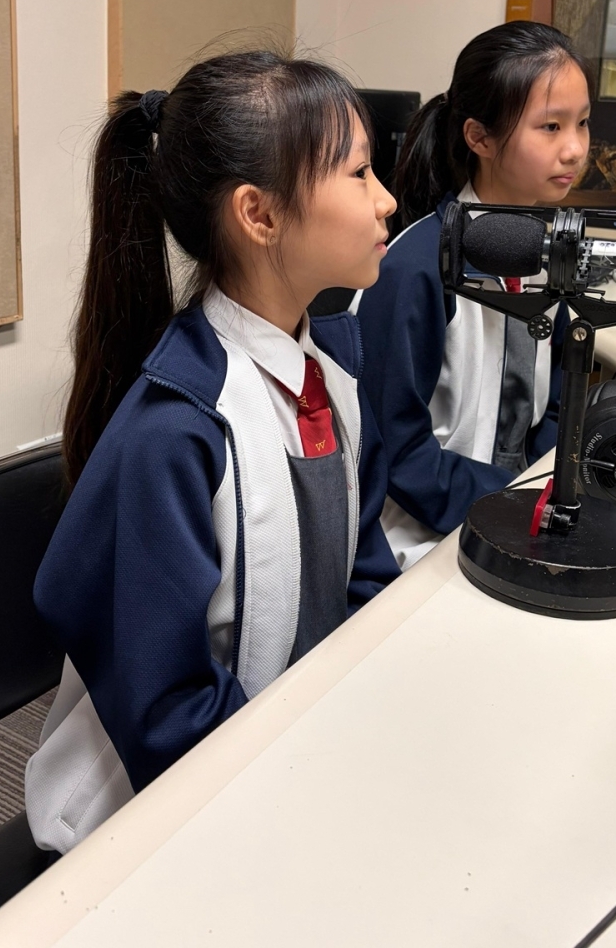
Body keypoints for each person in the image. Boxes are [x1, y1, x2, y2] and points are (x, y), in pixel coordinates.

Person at [25, 51, 400, 854]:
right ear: (258, 215)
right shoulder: (176, 431)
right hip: (157, 811)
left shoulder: (332, 377)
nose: (386, 199)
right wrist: (306, 784)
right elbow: (167, 714)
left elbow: (363, 577)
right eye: (360, 174)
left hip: (289, 753)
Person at [352, 22, 591, 570]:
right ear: (479, 138)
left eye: (582, 122)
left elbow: (558, 404)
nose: (575, 148)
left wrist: (542, 488)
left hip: (523, 513)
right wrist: (512, 503)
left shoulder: (551, 254)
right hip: (423, 540)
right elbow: (400, 454)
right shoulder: (412, 270)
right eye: (550, 127)